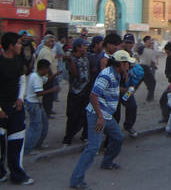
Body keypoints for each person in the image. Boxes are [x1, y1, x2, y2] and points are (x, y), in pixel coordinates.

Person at [69, 50, 135, 190]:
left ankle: (107, 162)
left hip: (106, 115)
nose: (129, 66)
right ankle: (76, 180)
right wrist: (99, 116)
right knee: (93, 148)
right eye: (127, 63)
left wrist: (126, 90)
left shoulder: (116, 74)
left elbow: (111, 91)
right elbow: (93, 96)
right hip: (97, 115)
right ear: (121, 63)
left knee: (118, 137)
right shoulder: (107, 75)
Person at [0, 32, 34, 185]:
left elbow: (22, 81)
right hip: (1, 108)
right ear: (10, 46)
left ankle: (17, 174)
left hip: (16, 107)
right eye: (19, 43)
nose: (21, 46)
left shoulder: (19, 61)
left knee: (16, 141)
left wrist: (20, 98)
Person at [24, 59, 60, 155]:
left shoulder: (39, 76)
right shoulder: (35, 77)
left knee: (44, 124)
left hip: (37, 104)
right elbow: (38, 93)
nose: (48, 71)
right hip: (33, 104)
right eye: (47, 69)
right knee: (36, 127)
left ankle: (37, 144)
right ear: (43, 69)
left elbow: (46, 80)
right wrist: (53, 90)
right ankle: (28, 148)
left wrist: (55, 74)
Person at [62, 38, 90, 147]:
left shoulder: (85, 58)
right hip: (75, 91)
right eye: (84, 46)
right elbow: (74, 74)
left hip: (85, 91)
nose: (86, 47)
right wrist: (70, 61)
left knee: (86, 115)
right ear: (78, 47)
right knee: (72, 116)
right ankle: (67, 139)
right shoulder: (71, 59)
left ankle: (85, 136)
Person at [35, 34, 59, 118]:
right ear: (47, 42)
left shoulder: (47, 50)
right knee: (48, 95)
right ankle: (46, 112)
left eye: (54, 41)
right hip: (47, 77)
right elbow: (47, 65)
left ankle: (48, 110)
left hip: (48, 76)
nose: (53, 43)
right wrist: (52, 76)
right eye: (51, 41)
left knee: (49, 96)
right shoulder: (45, 51)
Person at [138, 35, 156, 101]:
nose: (151, 41)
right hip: (141, 67)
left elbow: (152, 60)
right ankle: (126, 96)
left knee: (152, 83)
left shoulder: (151, 50)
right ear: (146, 41)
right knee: (134, 85)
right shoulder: (142, 48)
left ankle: (150, 98)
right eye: (150, 40)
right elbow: (137, 52)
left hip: (147, 68)